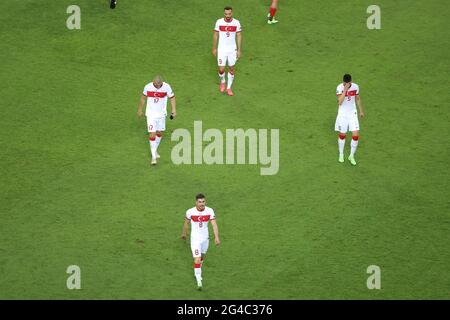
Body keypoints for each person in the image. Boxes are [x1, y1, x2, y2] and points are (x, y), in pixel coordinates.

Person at [181, 194, 220, 290]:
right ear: (196, 202)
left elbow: (214, 224)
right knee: (197, 259)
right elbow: (186, 223)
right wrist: (184, 234)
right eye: (200, 202)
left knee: (202, 256)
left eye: (203, 202)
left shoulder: (209, 211)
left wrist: (216, 237)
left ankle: (197, 268)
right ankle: (198, 279)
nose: (202, 204)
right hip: (195, 239)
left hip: (205, 239)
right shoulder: (190, 212)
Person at [137, 75, 176, 165]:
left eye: (159, 85)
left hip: (161, 115)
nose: (158, 87)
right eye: (156, 85)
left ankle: (155, 150)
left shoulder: (166, 87)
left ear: (161, 83)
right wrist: (140, 109)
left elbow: (172, 98)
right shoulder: (148, 87)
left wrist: (174, 110)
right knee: (152, 133)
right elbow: (143, 99)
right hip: (151, 115)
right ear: (153, 82)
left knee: (159, 133)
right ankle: (154, 157)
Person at [335, 74, 365, 165]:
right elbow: (340, 102)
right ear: (343, 82)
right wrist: (345, 90)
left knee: (355, 135)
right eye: (345, 83)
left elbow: (358, 98)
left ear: (351, 81)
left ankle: (351, 156)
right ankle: (341, 154)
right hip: (342, 114)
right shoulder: (339, 87)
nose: (347, 84)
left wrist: (361, 111)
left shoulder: (356, 87)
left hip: (352, 113)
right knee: (342, 134)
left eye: (348, 83)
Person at [212, 6, 242, 96]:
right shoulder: (219, 22)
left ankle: (229, 88)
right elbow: (215, 35)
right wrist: (214, 48)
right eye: (226, 14)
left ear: (232, 13)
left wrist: (239, 50)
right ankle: (223, 81)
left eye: (229, 14)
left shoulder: (236, 23)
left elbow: (239, 35)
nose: (228, 15)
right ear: (224, 13)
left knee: (231, 69)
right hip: (221, 49)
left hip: (232, 49)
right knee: (221, 69)